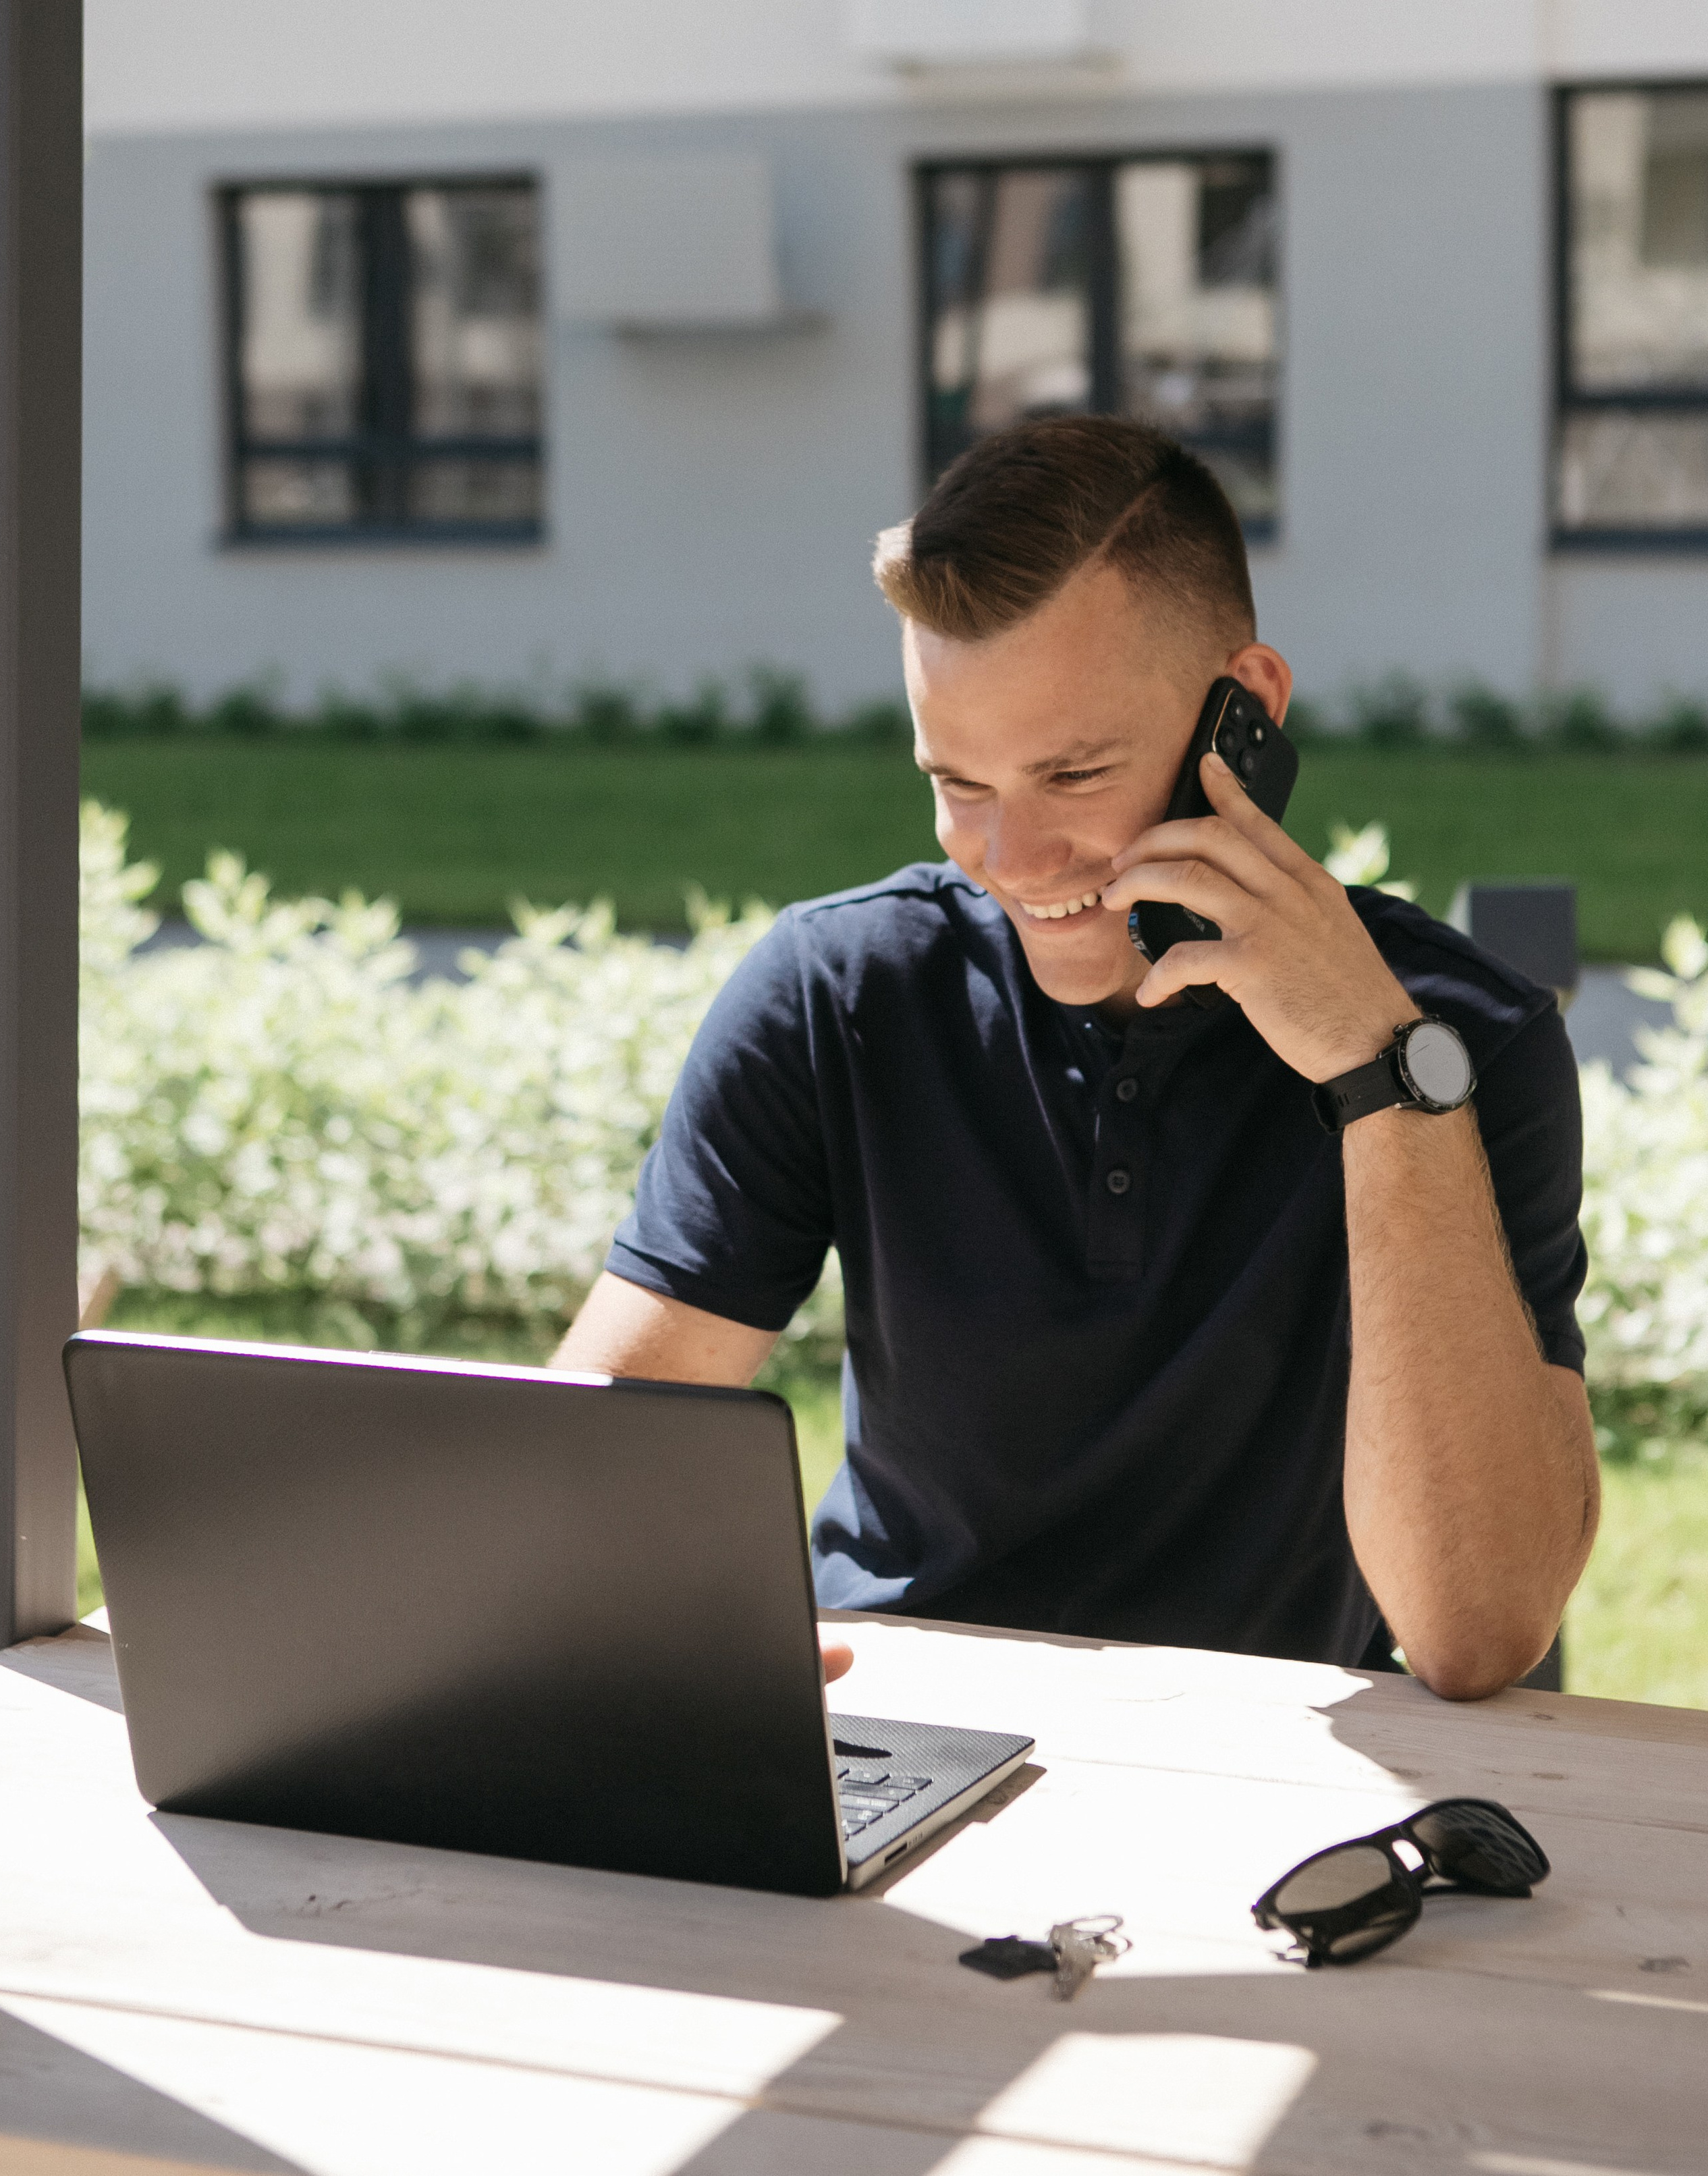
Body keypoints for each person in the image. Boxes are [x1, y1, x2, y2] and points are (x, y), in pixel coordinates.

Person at [555, 415, 1599, 1699]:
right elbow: (594, 1461)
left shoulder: (1463, 1042)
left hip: (1269, 1768)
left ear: (1247, 717)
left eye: (1073, 772)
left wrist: (1377, 1076)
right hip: (902, 1710)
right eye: (959, 780)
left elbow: (1476, 1630)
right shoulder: (841, 989)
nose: (1013, 856)